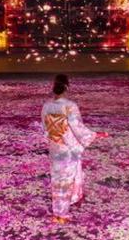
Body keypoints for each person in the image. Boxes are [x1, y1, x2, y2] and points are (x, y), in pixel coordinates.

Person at [41, 74, 107, 223]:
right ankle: (62, 214)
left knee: (57, 179)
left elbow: (45, 127)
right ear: (67, 87)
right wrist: (94, 135)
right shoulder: (70, 106)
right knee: (66, 179)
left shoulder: (47, 105)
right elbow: (77, 127)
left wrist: (55, 137)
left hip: (55, 146)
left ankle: (57, 211)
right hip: (68, 148)